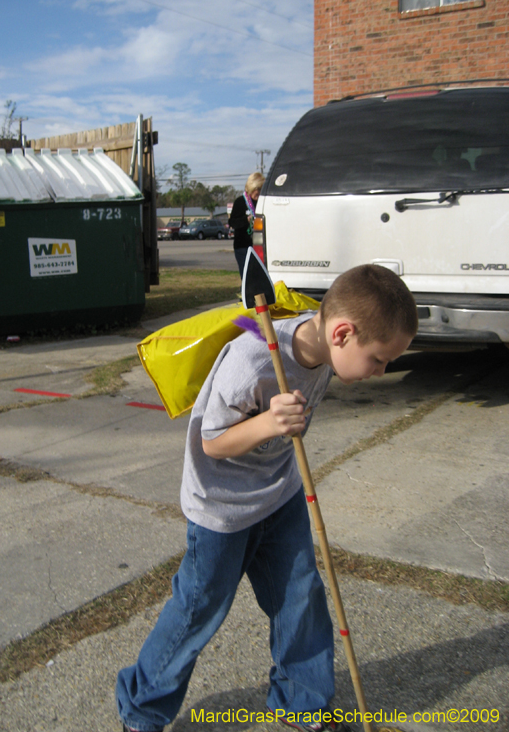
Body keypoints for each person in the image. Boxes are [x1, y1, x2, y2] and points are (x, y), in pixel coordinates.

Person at [116, 264, 418, 732]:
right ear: (342, 334)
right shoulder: (252, 360)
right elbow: (212, 443)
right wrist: (267, 423)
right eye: (379, 359)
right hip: (221, 508)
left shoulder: (326, 349)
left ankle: (302, 702)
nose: (381, 371)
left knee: (301, 597)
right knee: (198, 611)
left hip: (279, 494)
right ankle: (141, 711)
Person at [229, 171, 265, 277]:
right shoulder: (240, 202)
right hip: (243, 247)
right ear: (251, 187)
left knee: (259, 276)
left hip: (259, 246)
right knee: (247, 276)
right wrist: (246, 220)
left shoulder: (262, 202)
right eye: (257, 189)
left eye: (261, 189)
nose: (258, 192)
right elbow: (232, 222)